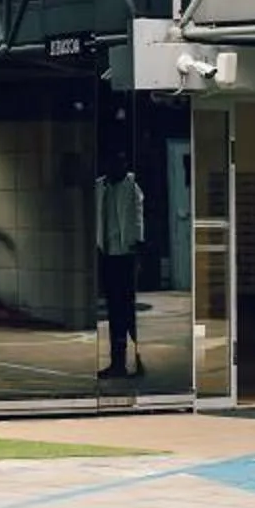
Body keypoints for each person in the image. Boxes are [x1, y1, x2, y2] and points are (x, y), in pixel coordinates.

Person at [96, 153, 146, 380]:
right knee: (115, 313)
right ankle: (118, 363)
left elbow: (138, 219)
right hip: (107, 255)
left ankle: (138, 359)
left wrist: (137, 250)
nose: (117, 167)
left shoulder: (131, 187)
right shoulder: (100, 186)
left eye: (121, 163)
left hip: (126, 254)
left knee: (127, 312)